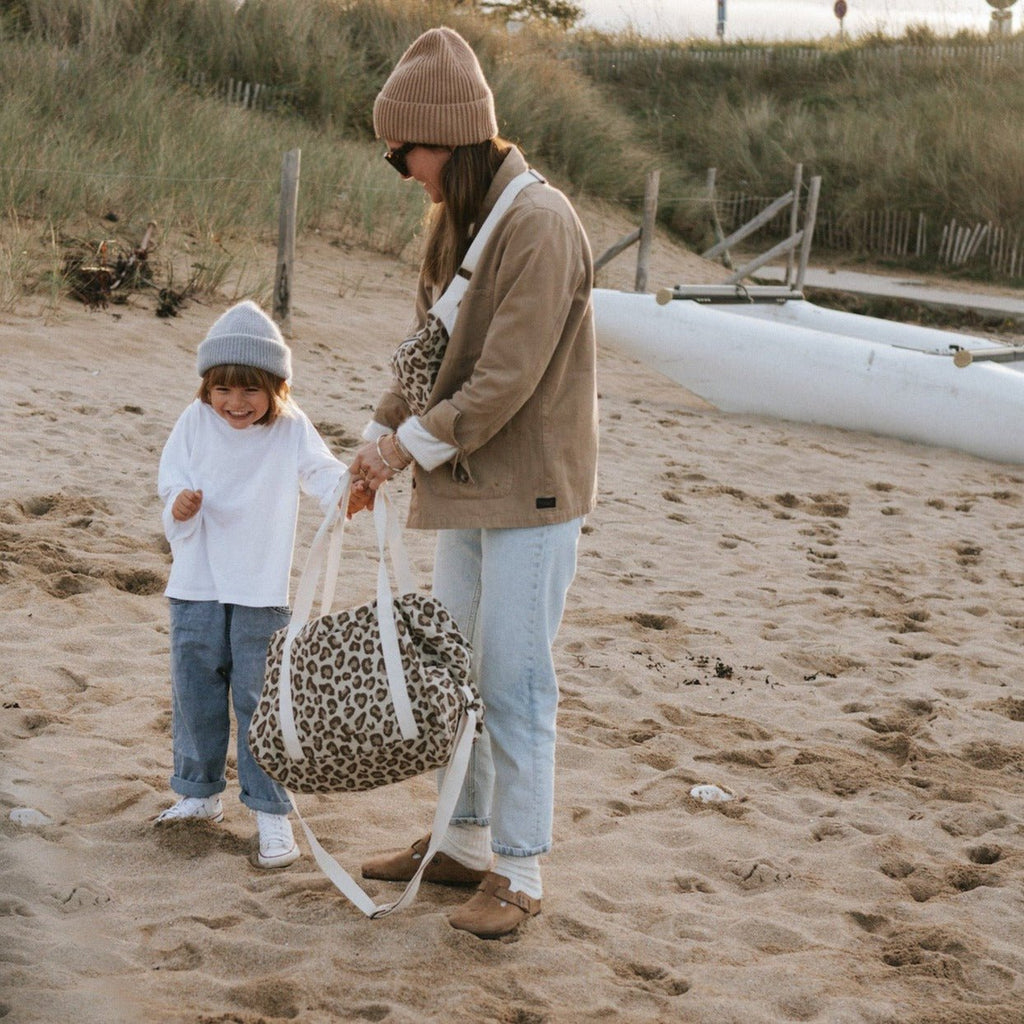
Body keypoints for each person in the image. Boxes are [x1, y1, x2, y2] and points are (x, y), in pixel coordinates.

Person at [349, 26, 598, 938]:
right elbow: (432, 355)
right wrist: (378, 434)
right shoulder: (456, 217)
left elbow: (502, 378)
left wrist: (404, 448)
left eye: (400, 150)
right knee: (456, 675)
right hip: (464, 480)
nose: (396, 166)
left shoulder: (540, 222)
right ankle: (460, 842)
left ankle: (520, 871)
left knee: (514, 680)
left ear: (445, 137)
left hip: (532, 489)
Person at [155, 300, 361, 869]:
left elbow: (322, 472)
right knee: (194, 692)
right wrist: (180, 501)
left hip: (260, 589)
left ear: (277, 388)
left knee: (259, 701)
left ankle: (270, 813)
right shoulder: (195, 420)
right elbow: (169, 476)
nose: (235, 403)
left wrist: (350, 491)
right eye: (223, 389)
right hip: (196, 581)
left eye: (250, 391)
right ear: (207, 387)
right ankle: (198, 795)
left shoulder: (291, 428)